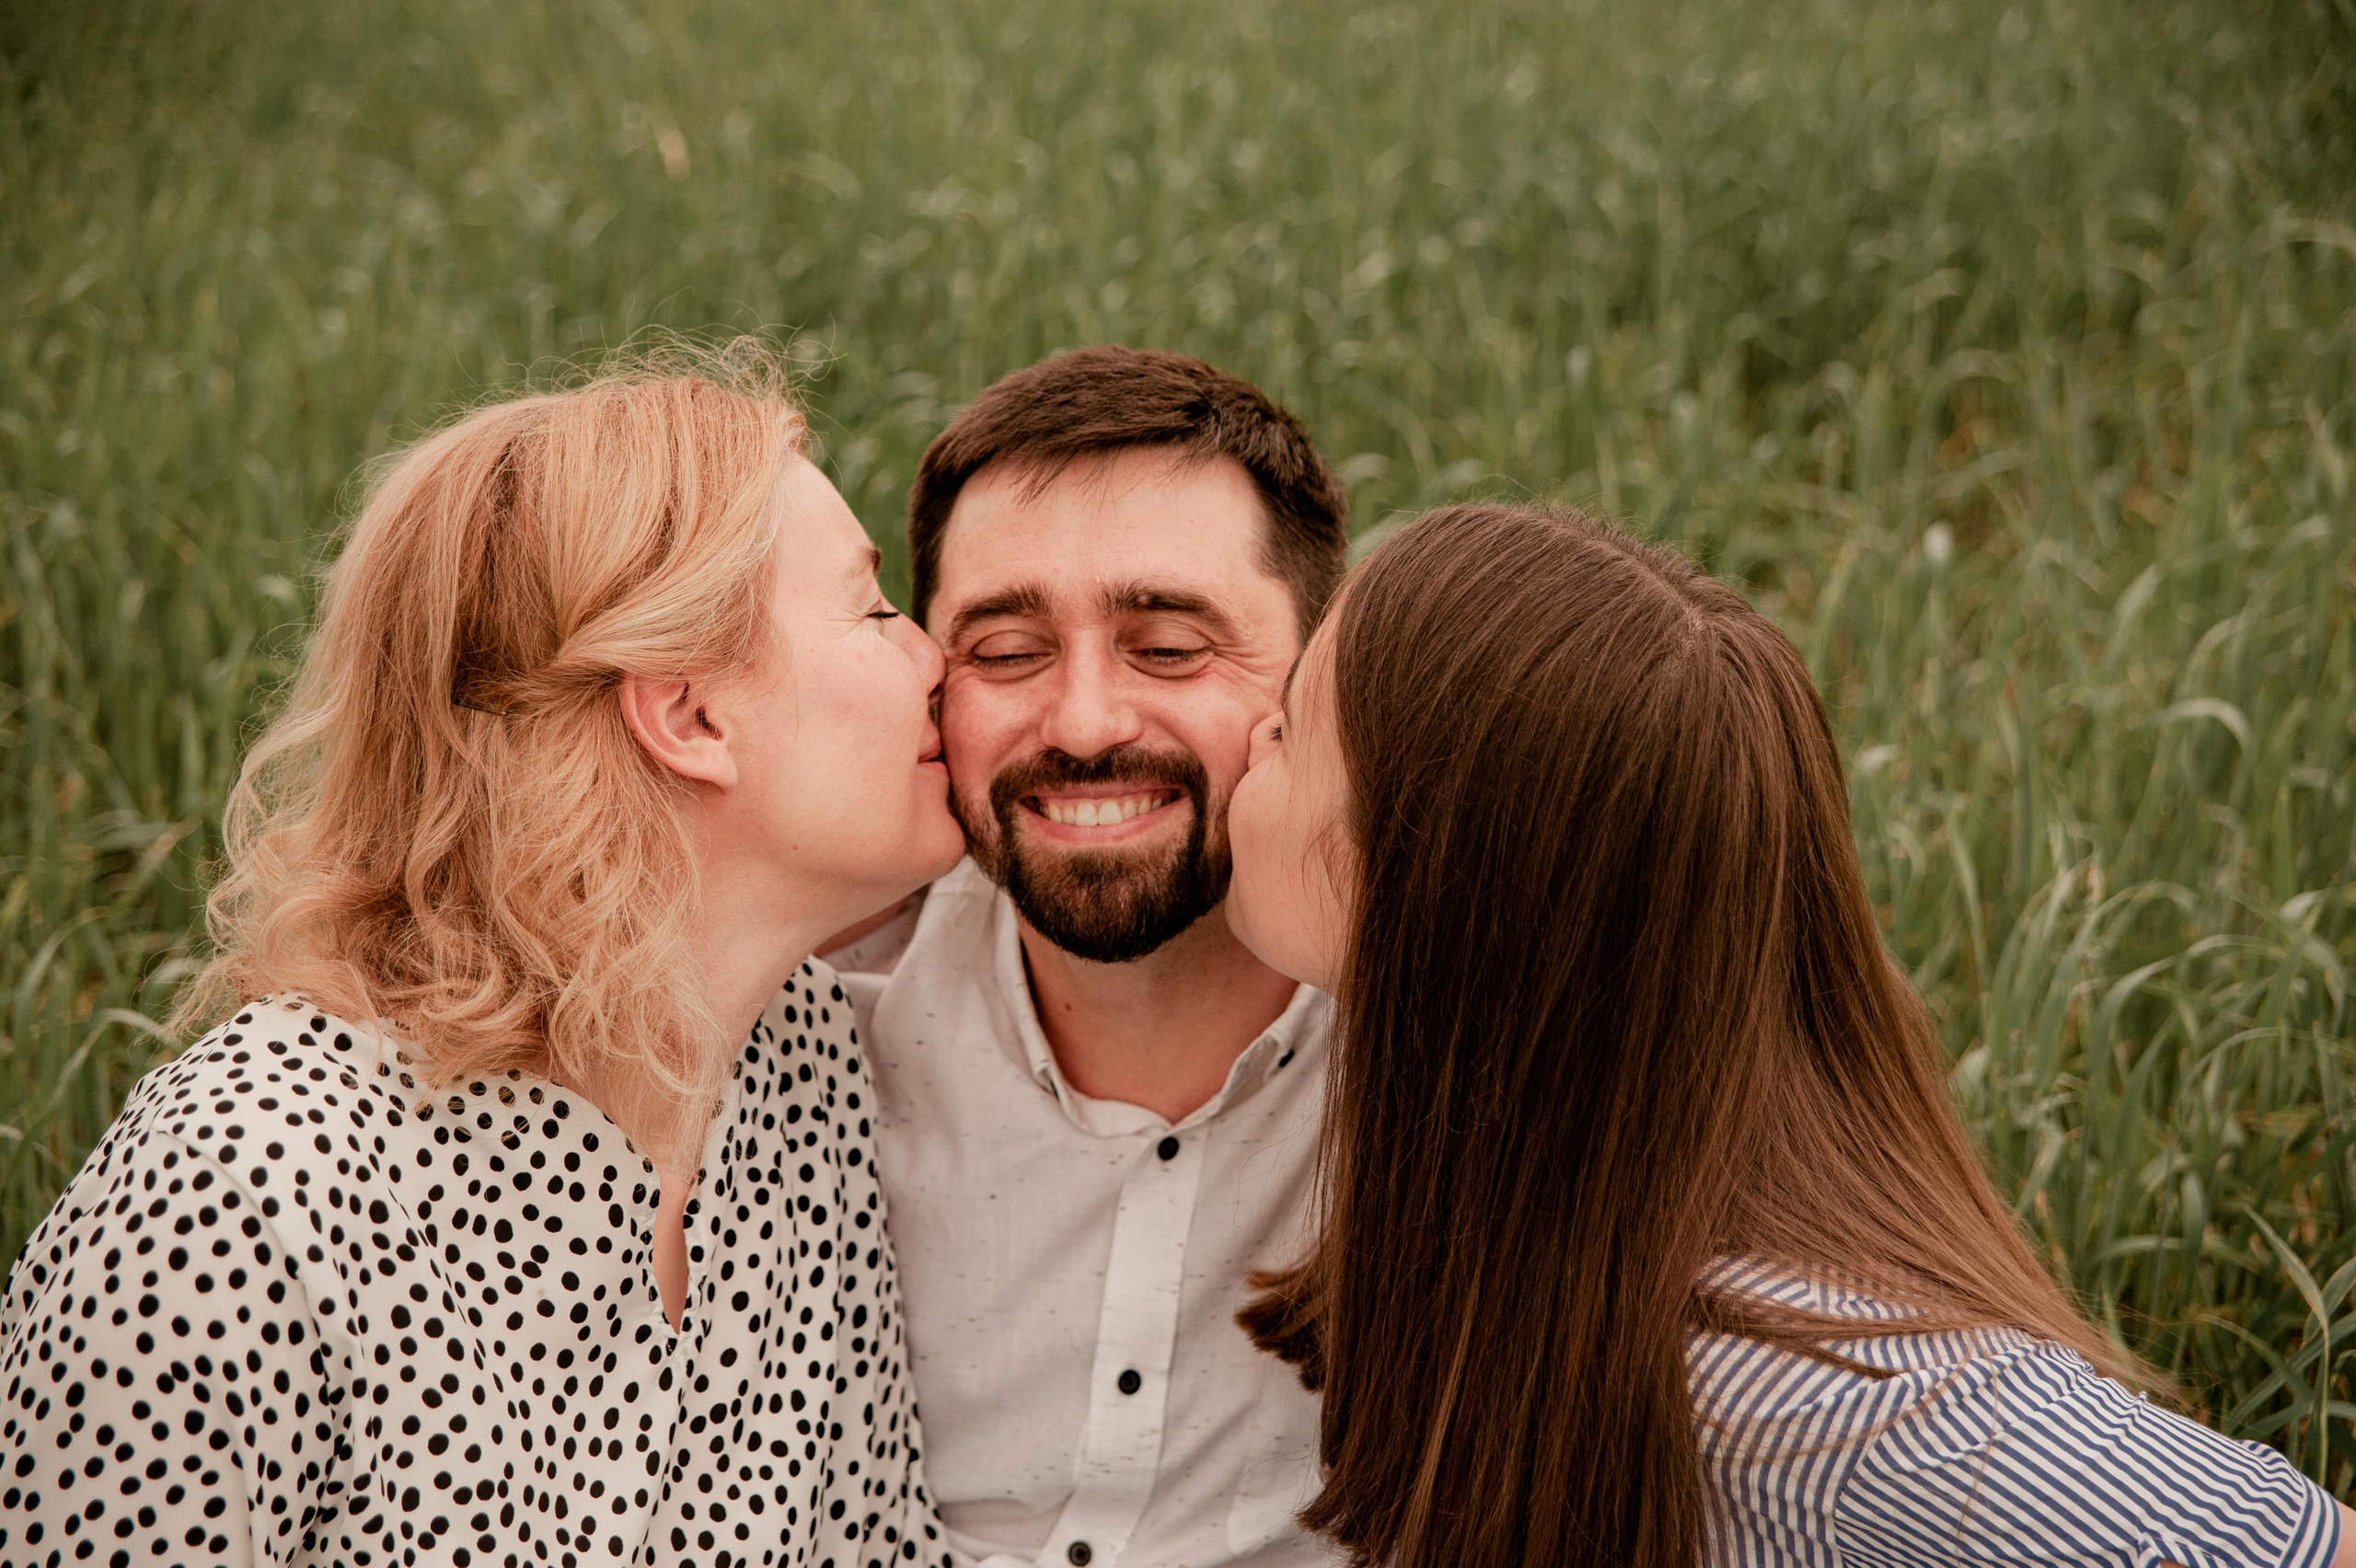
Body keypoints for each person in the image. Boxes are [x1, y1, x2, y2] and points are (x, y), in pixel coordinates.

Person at [1223, 502, 2356, 1568]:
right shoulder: (1560, 1202)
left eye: (1290, 729)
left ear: (1430, 886)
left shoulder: (1829, 1392)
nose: (1250, 732)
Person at [0, 353, 964, 1568]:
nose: (937, 659)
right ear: (689, 716)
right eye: (876, 611)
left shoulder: (797, 1057)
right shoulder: (241, 1195)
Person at [819, 347, 1349, 1568]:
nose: (1087, 724)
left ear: (1316, 677)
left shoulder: (1469, 1044)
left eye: (1168, 646)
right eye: (1006, 653)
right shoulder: (809, 1031)